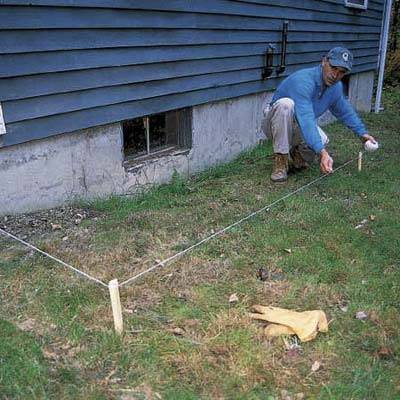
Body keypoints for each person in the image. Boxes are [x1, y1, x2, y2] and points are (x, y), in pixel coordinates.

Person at [262, 47, 377, 182]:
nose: (335, 75)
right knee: (285, 105)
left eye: (341, 72)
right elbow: (306, 119)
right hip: (274, 124)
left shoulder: (335, 87)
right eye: (333, 68)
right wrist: (322, 153)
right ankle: (280, 161)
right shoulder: (303, 81)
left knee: (322, 140)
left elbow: (346, 112)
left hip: (298, 124)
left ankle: (296, 152)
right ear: (324, 61)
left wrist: (362, 134)